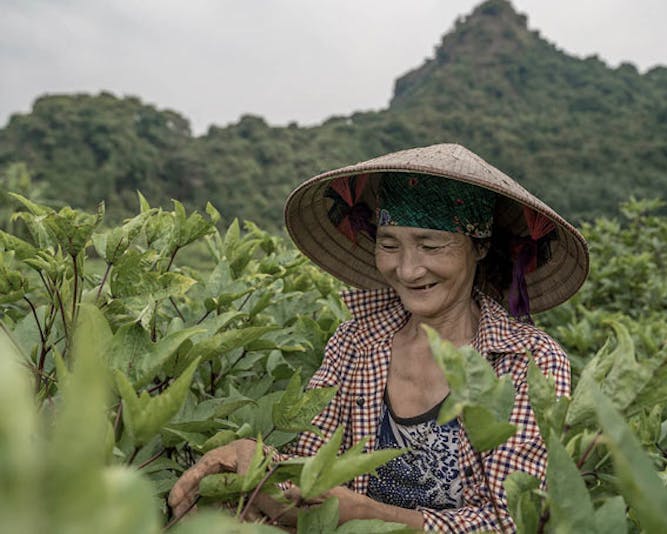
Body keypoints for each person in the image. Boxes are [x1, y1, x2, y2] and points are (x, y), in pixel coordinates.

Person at [168, 143, 589, 532]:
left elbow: (513, 521)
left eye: (431, 245)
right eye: (390, 244)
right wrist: (251, 459)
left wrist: (373, 516)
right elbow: (310, 466)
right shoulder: (355, 340)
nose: (407, 270)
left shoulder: (528, 360)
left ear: (478, 247)